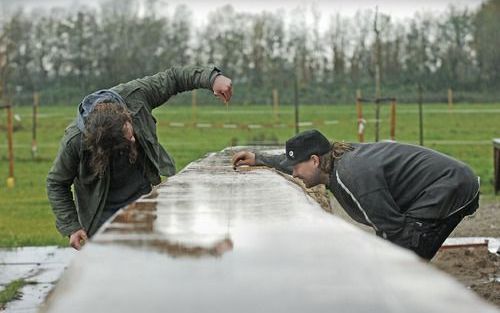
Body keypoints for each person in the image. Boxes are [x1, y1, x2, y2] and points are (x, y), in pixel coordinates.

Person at [47, 65, 232, 250]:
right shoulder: (75, 142)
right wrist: (72, 226)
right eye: (126, 141)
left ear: (126, 115)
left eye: (131, 132)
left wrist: (212, 78)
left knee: (151, 264)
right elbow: (56, 183)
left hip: (143, 204)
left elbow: (174, 78)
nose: (134, 139)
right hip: (101, 219)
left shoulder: (137, 96)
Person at [232, 129, 480, 260]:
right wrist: (259, 159)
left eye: (297, 168)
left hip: (451, 185)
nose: (294, 174)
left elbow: (392, 230)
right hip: (437, 185)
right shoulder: (331, 162)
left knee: (404, 253)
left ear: (316, 160)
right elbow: (294, 164)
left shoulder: (350, 177)